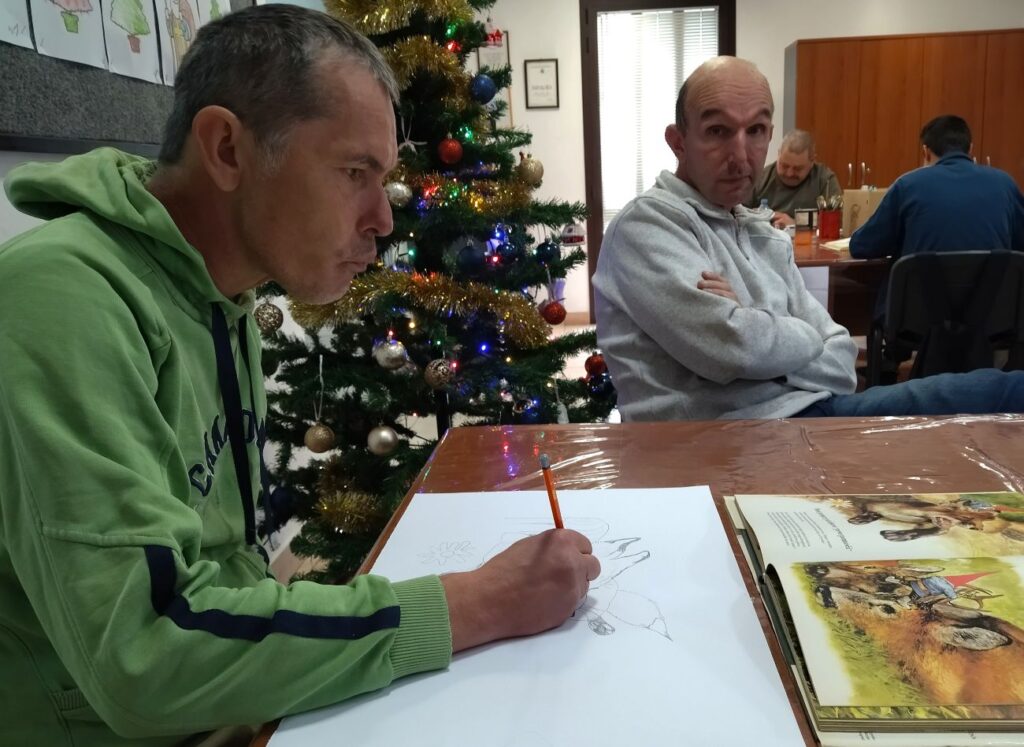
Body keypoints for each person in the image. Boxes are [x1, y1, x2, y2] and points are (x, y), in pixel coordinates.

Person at [0, 7, 599, 746]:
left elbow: (225, 571)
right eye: (354, 173)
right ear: (227, 149)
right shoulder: (61, 298)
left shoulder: (220, 294)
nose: (383, 219)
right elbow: (143, 653)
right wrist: (479, 602)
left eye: (383, 180)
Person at [591, 56, 1024, 422]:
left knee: (1002, 393)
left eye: (756, 130)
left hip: (813, 416)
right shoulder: (646, 226)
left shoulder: (760, 232)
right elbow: (734, 349)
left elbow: (842, 360)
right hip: (736, 439)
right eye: (718, 131)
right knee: (986, 398)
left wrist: (755, 324)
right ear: (678, 142)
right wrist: (789, 336)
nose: (741, 156)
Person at [850, 114, 1024, 312]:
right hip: (993, 317)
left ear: (925, 152)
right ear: (970, 149)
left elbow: (862, 246)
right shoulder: (1005, 184)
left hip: (918, 318)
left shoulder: (908, 185)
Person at [748, 129, 841, 229]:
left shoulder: (825, 180)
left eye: (798, 169)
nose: (789, 173)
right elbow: (738, 214)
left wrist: (797, 224)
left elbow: (838, 220)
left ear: (812, 161)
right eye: (784, 166)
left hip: (806, 238)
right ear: (778, 155)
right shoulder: (759, 178)